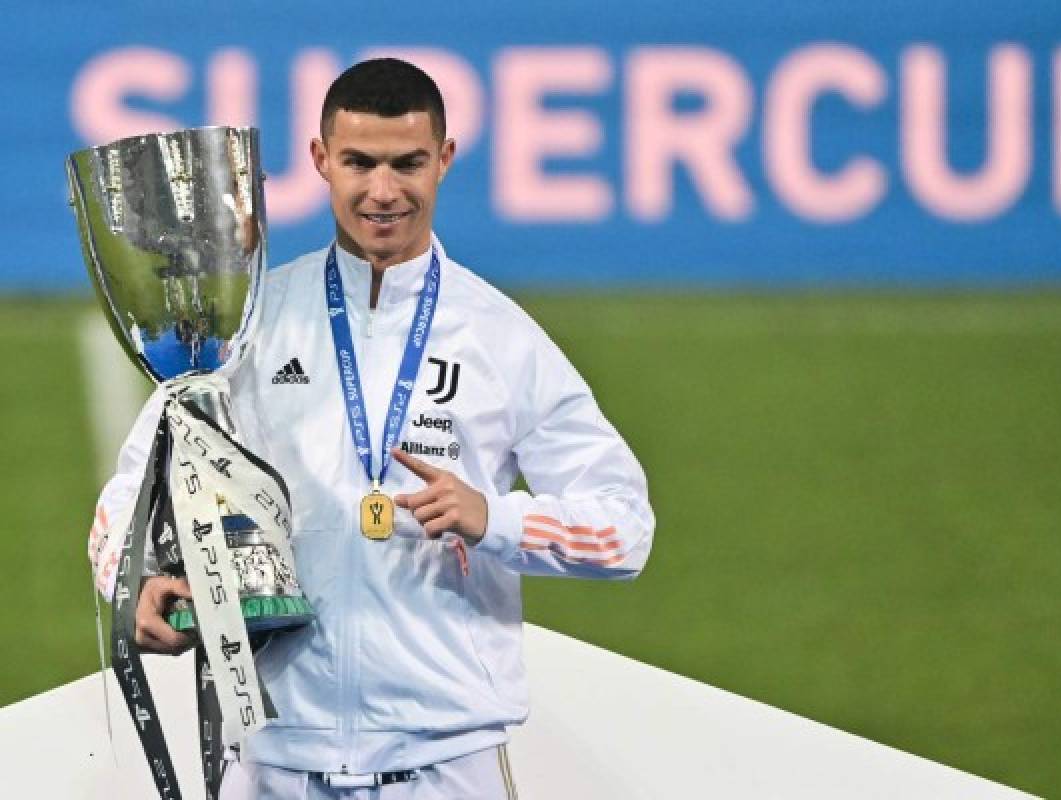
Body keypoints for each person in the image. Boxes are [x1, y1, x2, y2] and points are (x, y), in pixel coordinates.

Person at [87, 58, 655, 799]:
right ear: (321, 159)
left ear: (444, 160)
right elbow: (128, 494)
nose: (383, 191)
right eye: (359, 162)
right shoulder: (253, 322)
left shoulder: (501, 338)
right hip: (275, 756)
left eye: (407, 163)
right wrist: (132, 583)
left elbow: (625, 529)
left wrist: (497, 519)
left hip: (446, 761)